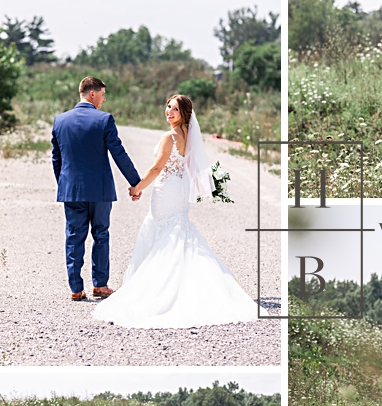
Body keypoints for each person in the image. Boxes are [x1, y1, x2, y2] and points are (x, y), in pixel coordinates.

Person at [90, 94, 259, 327]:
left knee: (163, 230)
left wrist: (138, 187)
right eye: (168, 107)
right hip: (180, 188)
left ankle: (160, 287)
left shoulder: (169, 136)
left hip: (167, 190)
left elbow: (158, 166)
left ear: (183, 114)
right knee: (178, 229)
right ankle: (183, 283)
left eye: (175, 110)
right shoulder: (189, 136)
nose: (169, 112)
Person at [51, 77, 142, 302]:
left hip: (71, 190)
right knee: (101, 234)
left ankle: (75, 288)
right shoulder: (104, 120)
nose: (103, 99)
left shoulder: (60, 121)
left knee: (74, 236)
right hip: (100, 190)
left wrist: (63, 184)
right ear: (92, 94)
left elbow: (56, 158)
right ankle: (100, 285)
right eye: (102, 94)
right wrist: (135, 182)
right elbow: (118, 153)